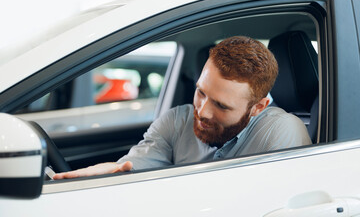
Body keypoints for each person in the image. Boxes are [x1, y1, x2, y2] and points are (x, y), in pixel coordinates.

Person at [53, 36, 311, 179]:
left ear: (258, 107)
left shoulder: (281, 131)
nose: (203, 111)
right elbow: (132, 167)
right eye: (201, 92)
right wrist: (107, 175)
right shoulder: (177, 121)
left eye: (222, 105)